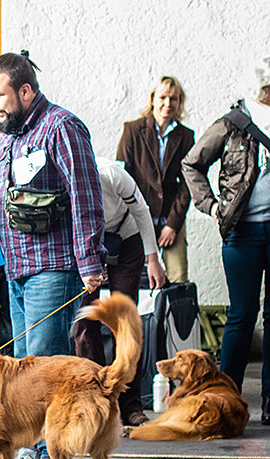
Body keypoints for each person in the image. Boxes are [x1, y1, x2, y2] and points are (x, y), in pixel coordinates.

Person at [0, 51, 105, 459]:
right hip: (16, 268)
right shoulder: (3, 142)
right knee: (24, 373)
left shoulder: (62, 128)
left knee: (45, 373)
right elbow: (3, 194)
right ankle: (30, 454)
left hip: (54, 267)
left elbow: (85, 197)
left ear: (25, 91)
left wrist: (91, 263)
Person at [182, 65, 270, 424]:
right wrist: (213, 206)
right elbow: (192, 164)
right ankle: (225, 398)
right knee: (241, 314)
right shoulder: (232, 123)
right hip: (242, 231)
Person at [74, 157, 167, 427]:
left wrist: (153, 259)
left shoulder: (111, 173)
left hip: (127, 239)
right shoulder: (62, 179)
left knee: (125, 323)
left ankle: (130, 405)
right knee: (84, 322)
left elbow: (141, 211)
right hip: (86, 246)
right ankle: (98, 404)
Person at [117, 76, 195, 283]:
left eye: (174, 99)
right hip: (137, 217)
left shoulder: (186, 136)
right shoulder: (133, 130)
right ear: (152, 99)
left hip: (171, 217)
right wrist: (135, 217)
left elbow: (188, 184)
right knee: (138, 279)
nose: (168, 104)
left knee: (178, 278)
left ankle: (173, 317)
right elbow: (123, 177)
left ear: (180, 102)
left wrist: (172, 225)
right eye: (162, 97)